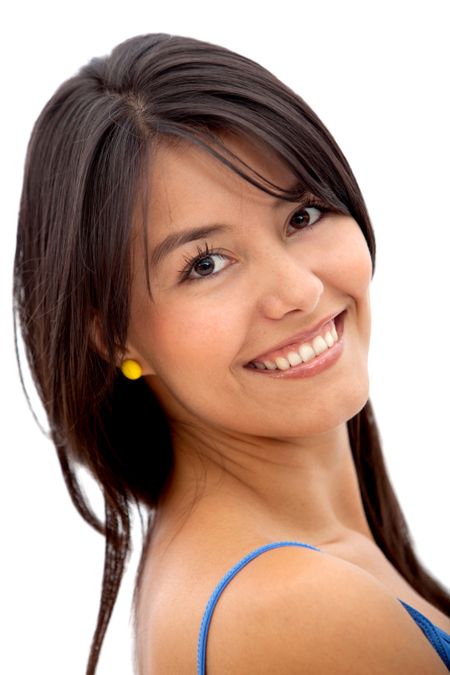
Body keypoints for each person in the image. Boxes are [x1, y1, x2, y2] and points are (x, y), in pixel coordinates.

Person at [13, 33, 450, 674]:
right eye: (206, 264)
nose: (299, 291)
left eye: (302, 216)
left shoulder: (279, 570)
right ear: (114, 337)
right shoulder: (292, 606)